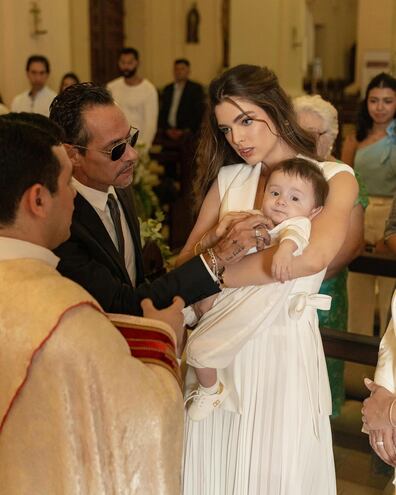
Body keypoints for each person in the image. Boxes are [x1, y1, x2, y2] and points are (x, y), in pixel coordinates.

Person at [178, 64, 358, 495]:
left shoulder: (333, 178)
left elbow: (311, 258)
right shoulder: (229, 179)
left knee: (275, 474)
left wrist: (218, 270)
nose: (238, 139)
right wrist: (217, 244)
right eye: (226, 129)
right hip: (221, 358)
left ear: (275, 111)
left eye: (246, 120)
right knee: (213, 470)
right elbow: (185, 264)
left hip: (282, 352)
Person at [0, 115, 189, 494]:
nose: (74, 192)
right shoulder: (64, 317)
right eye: (67, 181)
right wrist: (164, 339)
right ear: (38, 199)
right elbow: (145, 423)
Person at [49, 82, 268, 316]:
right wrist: (216, 257)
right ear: (73, 155)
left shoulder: (119, 187)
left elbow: (137, 280)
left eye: (130, 139)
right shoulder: (61, 224)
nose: (132, 155)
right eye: (115, 149)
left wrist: (205, 244)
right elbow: (123, 304)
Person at [184, 158, 328, 421]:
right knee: (197, 315)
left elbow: (295, 236)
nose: (282, 202)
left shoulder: (295, 225)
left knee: (199, 349)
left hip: (257, 299)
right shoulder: (256, 218)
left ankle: (210, 389)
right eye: (275, 193)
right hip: (232, 291)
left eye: (295, 199)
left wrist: (284, 252)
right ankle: (194, 311)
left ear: (314, 211)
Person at [294, 93, 368, 417]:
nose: (308, 141)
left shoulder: (343, 174)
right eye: (301, 132)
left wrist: (311, 276)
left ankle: (326, 428)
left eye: (316, 134)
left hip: (326, 285)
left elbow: (352, 244)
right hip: (288, 282)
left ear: (331, 136)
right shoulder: (289, 172)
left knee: (323, 365)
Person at [341, 72, 396, 336]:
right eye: (374, 100)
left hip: (392, 217)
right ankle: (355, 371)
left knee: (390, 295)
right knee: (357, 289)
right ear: (366, 103)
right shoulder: (355, 139)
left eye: (387, 101)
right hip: (359, 214)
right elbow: (343, 180)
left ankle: (387, 370)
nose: (380, 107)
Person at [107, 47, 158, 150]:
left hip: (138, 145)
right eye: (123, 62)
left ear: (137, 63)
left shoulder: (149, 89)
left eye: (130, 63)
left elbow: (150, 125)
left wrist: (143, 149)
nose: (126, 66)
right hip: (115, 145)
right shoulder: (112, 87)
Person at [157, 58, 205, 140]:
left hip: (187, 132)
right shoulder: (167, 89)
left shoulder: (196, 88)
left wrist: (184, 130)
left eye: (182, 69)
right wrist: (167, 129)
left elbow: (198, 113)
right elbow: (162, 111)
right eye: (176, 69)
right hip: (167, 132)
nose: (179, 72)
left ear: (188, 71)